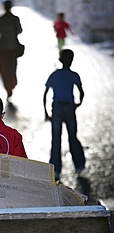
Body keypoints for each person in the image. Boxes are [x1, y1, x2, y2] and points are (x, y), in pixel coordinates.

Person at [43, 49, 86, 180]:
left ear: (60, 60)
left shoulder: (54, 75)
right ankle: (79, 165)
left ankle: (55, 169)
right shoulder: (74, 75)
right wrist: (77, 104)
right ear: (71, 60)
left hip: (56, 108)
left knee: (56, 138)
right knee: (72, 136)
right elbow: (81, 92)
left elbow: (45, 94)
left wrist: (45, 112)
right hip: (69, 108)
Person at [0, 0, 23, 102]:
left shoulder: (0, 20)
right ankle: (10, 86)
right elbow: (19, 31)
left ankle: (8, 87)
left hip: (2, 48)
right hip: (12, 47)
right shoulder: (15, 19)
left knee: (4, 68)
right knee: (12, 68)